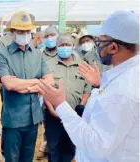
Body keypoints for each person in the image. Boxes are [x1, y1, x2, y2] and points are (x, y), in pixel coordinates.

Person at [38, 10, 139, 162]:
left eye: (100, 42)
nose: (96, 47)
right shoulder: (126, 77)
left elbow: (96, 145)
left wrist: (60, 104)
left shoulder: (122, 91)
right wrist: (100, 84)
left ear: (113, 48)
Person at [0, 11, 54, 162]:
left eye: (27, 31)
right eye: (21, 31)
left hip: (33, 118)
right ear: (13, 32)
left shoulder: (37, 54)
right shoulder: (3, 54)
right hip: (13, 119)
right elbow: (9, 84)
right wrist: (37, 83)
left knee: (28, 158)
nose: (25, 34)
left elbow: (50, 80)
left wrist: (23, 85)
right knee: (12, 158)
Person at [44, 34, 91, 162]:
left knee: (70, 149)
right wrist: (52, 110)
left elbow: (87, 89)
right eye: (61, 45)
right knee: (53, 149)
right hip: (54, 116)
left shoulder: (82, 65)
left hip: (75, 116)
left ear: (72, 46)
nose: (64, 47)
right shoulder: (47, 65)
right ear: (57, 46)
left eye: (67, 45)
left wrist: (80, 107)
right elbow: (44, 90)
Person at [36, 26, 59, 160]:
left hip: (60, 95)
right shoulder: (38, 54)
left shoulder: (65, 54)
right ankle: (45, 147)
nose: (50, 38)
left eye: (53, 35)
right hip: (42, 96)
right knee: (46, 123)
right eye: (47, 35)